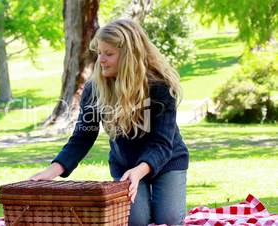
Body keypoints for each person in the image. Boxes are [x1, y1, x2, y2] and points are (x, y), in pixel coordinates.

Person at [30, 19, 189, 226]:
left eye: (109, 54)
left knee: (168, 219)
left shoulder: (160, 87)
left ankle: (159, 204)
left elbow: (162, 143)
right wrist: (50, 172)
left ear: (130, 56)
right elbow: (82, 138)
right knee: (136, 221)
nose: (101, 60)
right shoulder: (94, 90)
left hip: (167, 160)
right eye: (100, 53)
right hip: (125, 165)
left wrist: (140, 171)